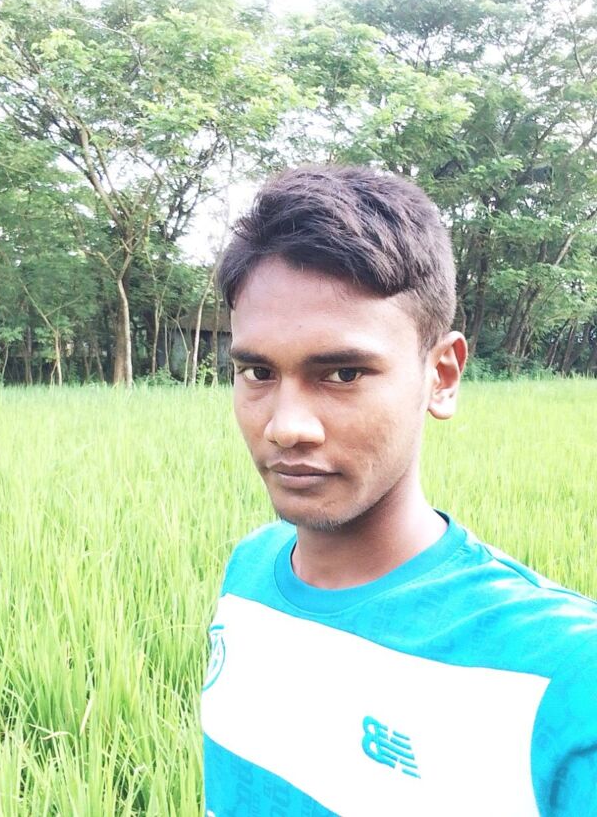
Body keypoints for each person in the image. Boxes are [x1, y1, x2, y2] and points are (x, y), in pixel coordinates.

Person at [201, 165, 597, 816]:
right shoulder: (247, 571)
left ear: (441, 376)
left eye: (343, 373)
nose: (286, 426)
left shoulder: (567, 678)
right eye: (256, 372)